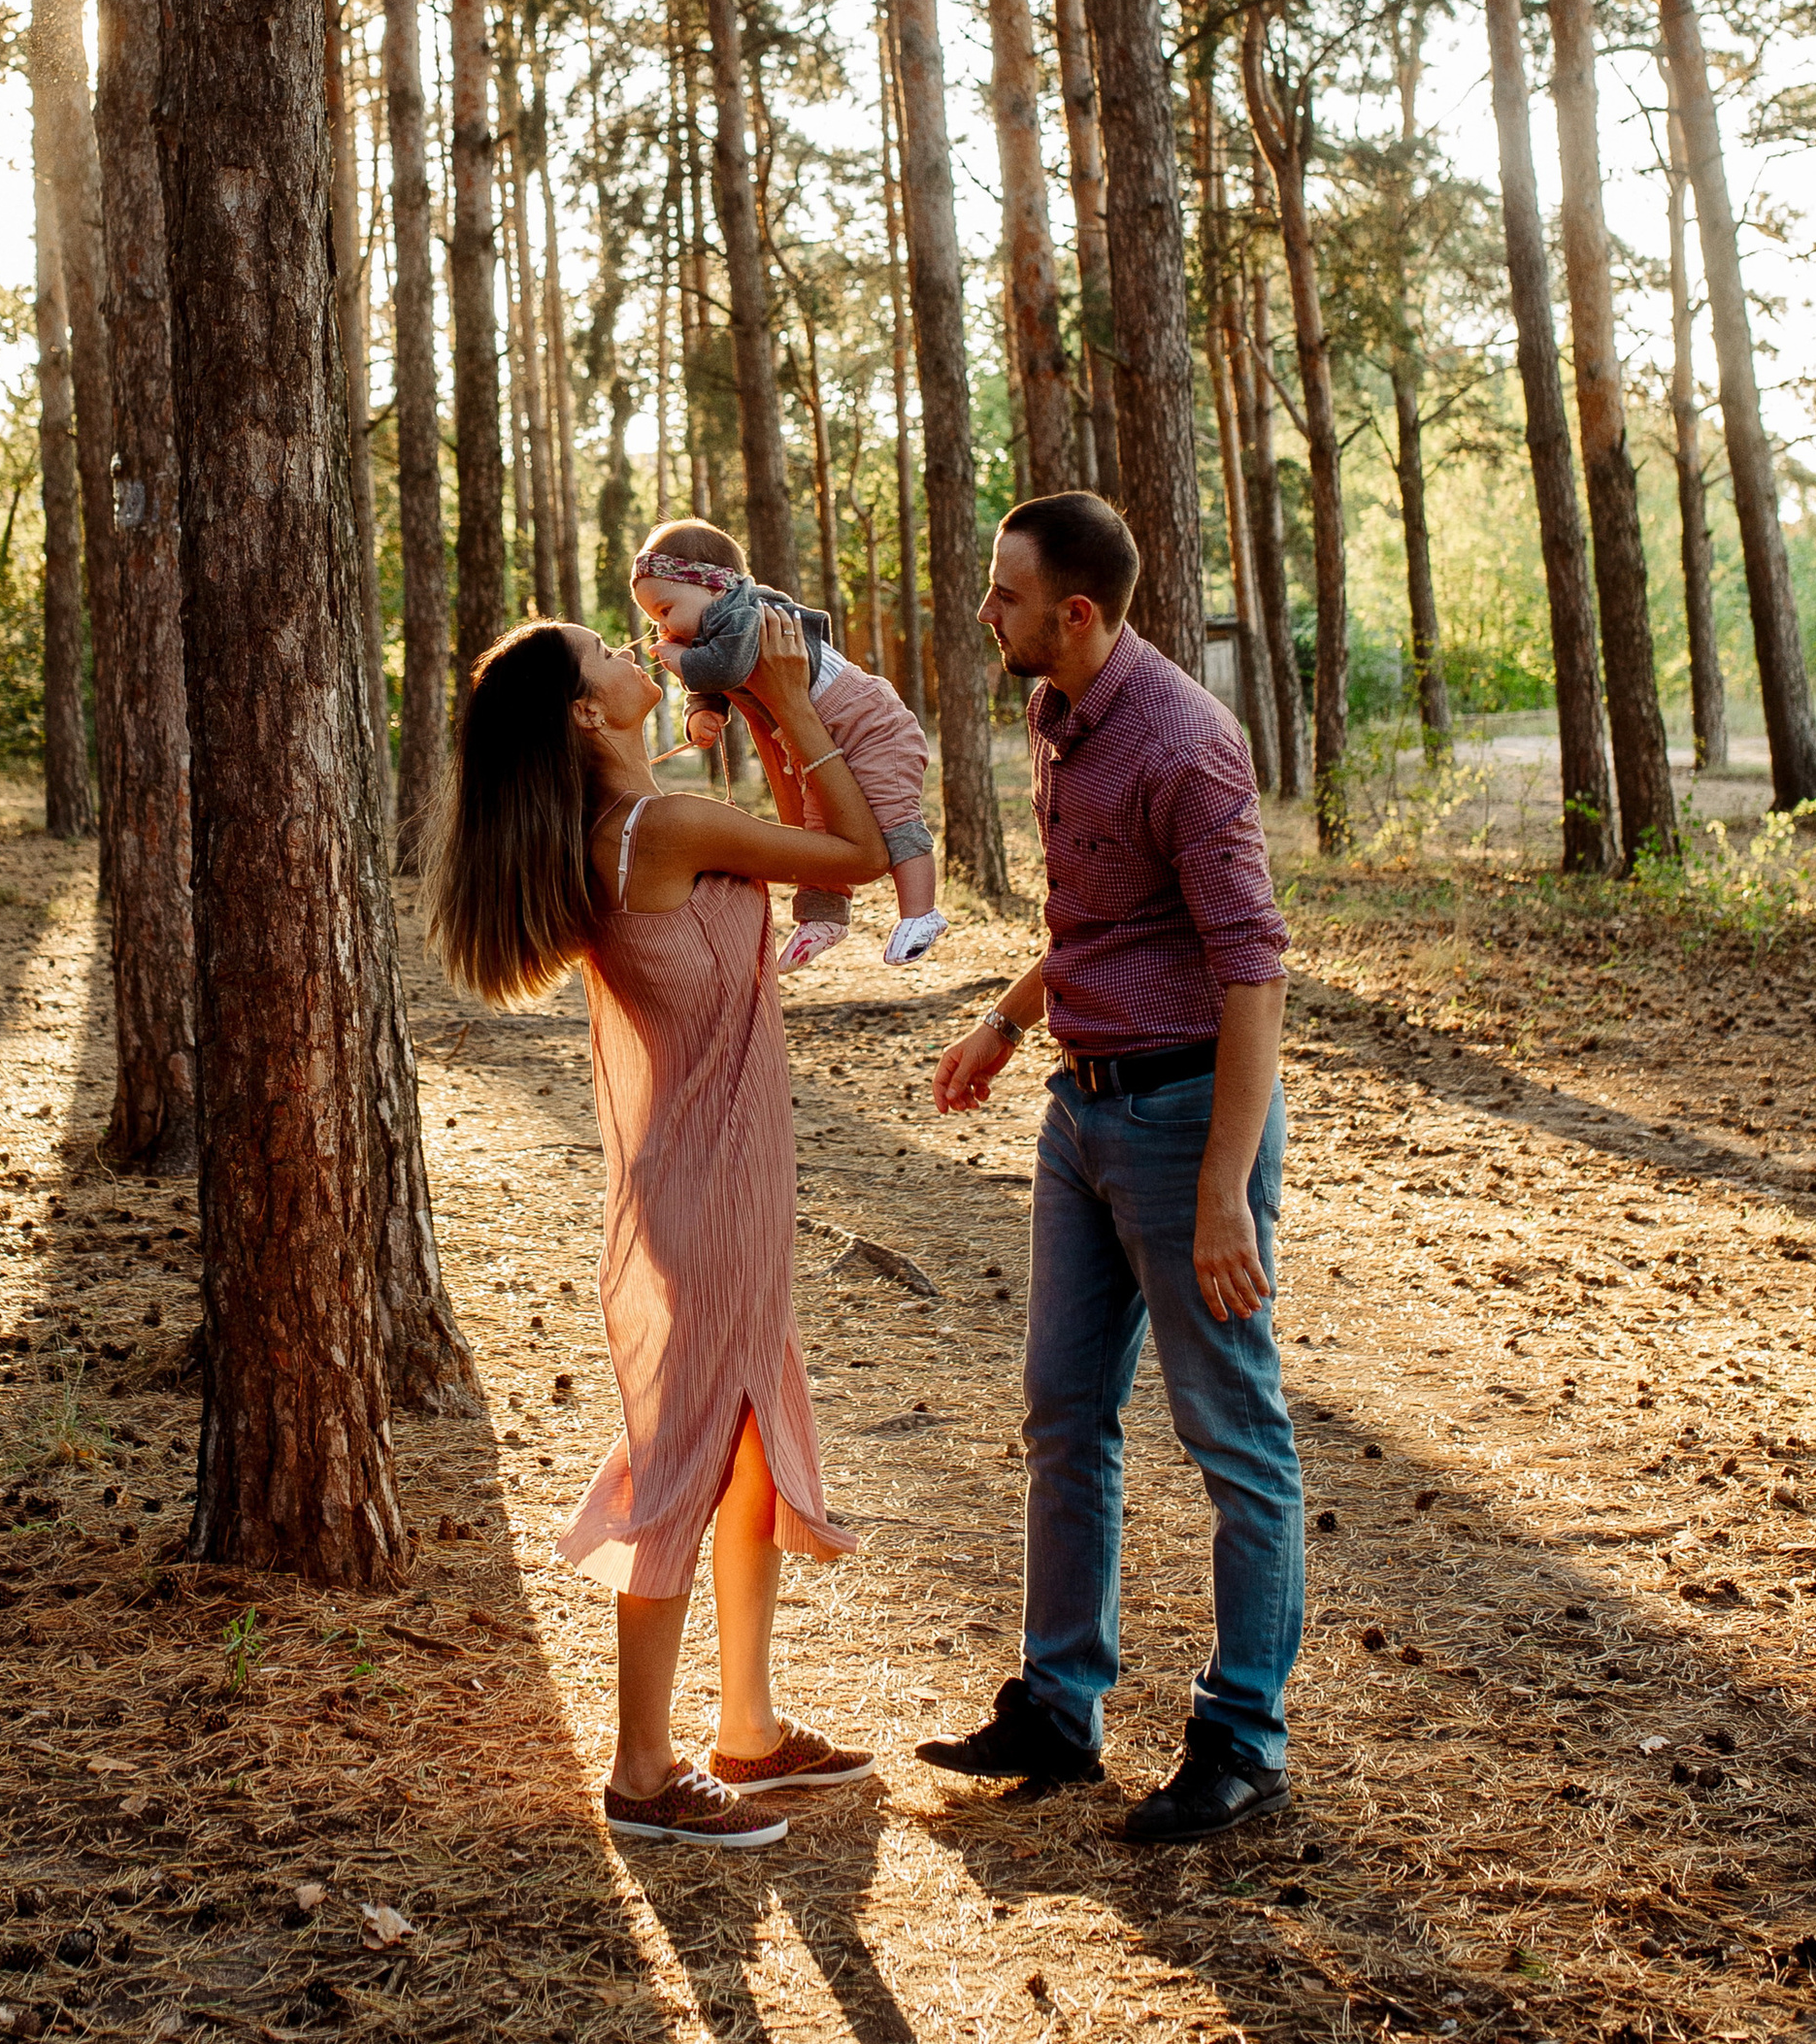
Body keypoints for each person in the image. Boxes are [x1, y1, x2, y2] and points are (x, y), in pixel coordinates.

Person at [426, 608, 890, 1849]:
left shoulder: (628, 823)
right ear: (587, 713)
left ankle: (748, 1726)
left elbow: (786, 838)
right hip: (709, 1185)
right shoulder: (658, 828)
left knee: (739, 1447)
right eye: (603, 655)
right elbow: (855, 851)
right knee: (688, 1455)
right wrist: (790, 701)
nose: (632, 652)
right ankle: (640, 1770)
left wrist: (749, 710)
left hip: (715, 1175)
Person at [919, 490, 1303, 1843]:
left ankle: (1243, 1734)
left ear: (1075, 612)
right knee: (1064, 1413)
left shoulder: (1188, 747)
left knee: (1233, 1434)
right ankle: (1058, 1706)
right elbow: (1105, 919)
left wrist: (1220, 1186)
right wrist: (1008, 1016)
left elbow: (1252, 967)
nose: (987, 612)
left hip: (1182, 1122)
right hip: (1078, 1110)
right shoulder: (1056, 713)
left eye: (1005, 595)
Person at [630, 519, 946, 970]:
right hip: (818, 731)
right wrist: (702, 710)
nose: (663, 627)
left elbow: (726, 667)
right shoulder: (710, 631)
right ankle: (824, 918)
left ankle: (921, 912)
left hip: (869, 721)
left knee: (894, 814)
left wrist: (683, 662)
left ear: (713, 585)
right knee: (820, 833)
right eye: (653, 618)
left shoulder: (743, 612)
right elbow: (720, 683)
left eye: (665, 609)